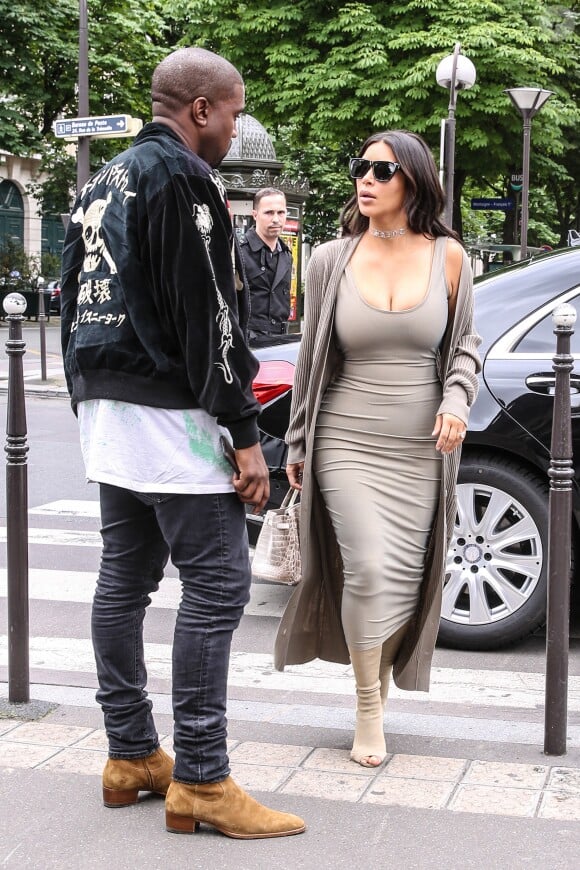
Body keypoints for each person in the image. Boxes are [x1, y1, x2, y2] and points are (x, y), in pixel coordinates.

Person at [61, 46, 305, 840]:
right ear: (200, 109)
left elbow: (72, 301)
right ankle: (201, 777)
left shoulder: (103, 178)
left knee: (124, 579)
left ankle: (131, 753)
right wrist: (242, 435)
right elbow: (209, 312)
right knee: (219, 585)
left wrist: (86, 398)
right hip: (171, 410)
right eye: (233, 113)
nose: (235, 130)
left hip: (108, 404)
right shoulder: (184, 177)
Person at [274, 130, 481, 768]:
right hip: (346, 436)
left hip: (419, 443)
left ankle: (382, 676)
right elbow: (310, 358)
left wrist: (456, 401)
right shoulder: (331, 258)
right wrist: (297, 438)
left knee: (402, 575)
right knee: (365, 567)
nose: (365, 178)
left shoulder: (449, 256)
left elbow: (467, 345)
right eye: (361, 167)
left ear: (411, 181)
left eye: (381, 170)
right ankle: (368, 706)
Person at [239, 187, 293, 344]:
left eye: (281, 213)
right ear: (255, 215)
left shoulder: (285, 254)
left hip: (280, 340)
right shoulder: (238, 251)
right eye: (269, 213)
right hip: (248, 342)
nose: (276, 219)